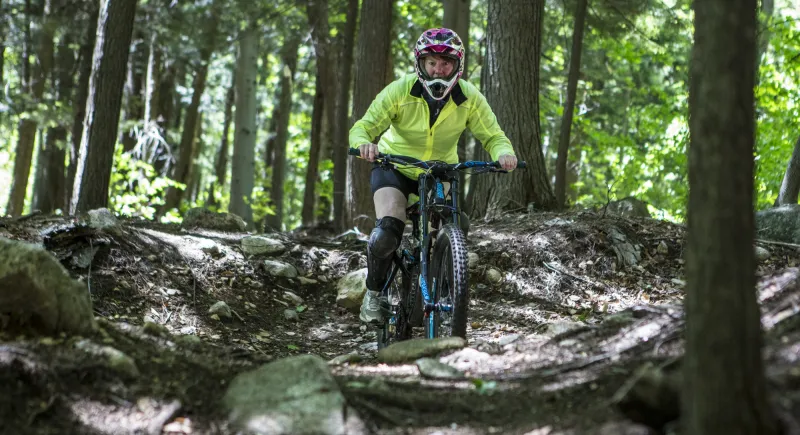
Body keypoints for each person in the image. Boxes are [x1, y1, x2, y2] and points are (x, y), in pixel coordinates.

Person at [349, 27, 519, 324]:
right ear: (420, 63)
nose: (438, 70)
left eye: (446, 63)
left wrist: (504, 154)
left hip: (440, 171)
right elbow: (363, 126)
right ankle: (373, 294)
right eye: (432, 63)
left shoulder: (469, 97)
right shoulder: (401, 90)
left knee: (455, 224)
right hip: (395, 166)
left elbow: (494, 136)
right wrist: (364, 144)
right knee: (388, 229)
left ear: (457, 66)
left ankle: (444, 289)